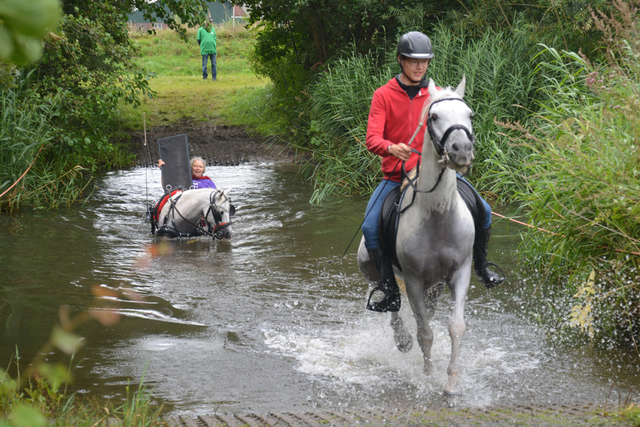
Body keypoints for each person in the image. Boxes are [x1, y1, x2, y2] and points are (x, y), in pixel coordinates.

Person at [362, 31, 504, 313]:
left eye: (425, 61)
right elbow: (372, 139)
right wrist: (391, 148)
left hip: (438, 174)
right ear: (401, 61)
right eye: (413, 61)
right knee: (369, 227)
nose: (420, 67)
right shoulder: (383, 95)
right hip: (396, 176)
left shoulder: (437, 95)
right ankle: (389, 290)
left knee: (485, 210)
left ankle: (481, 267)